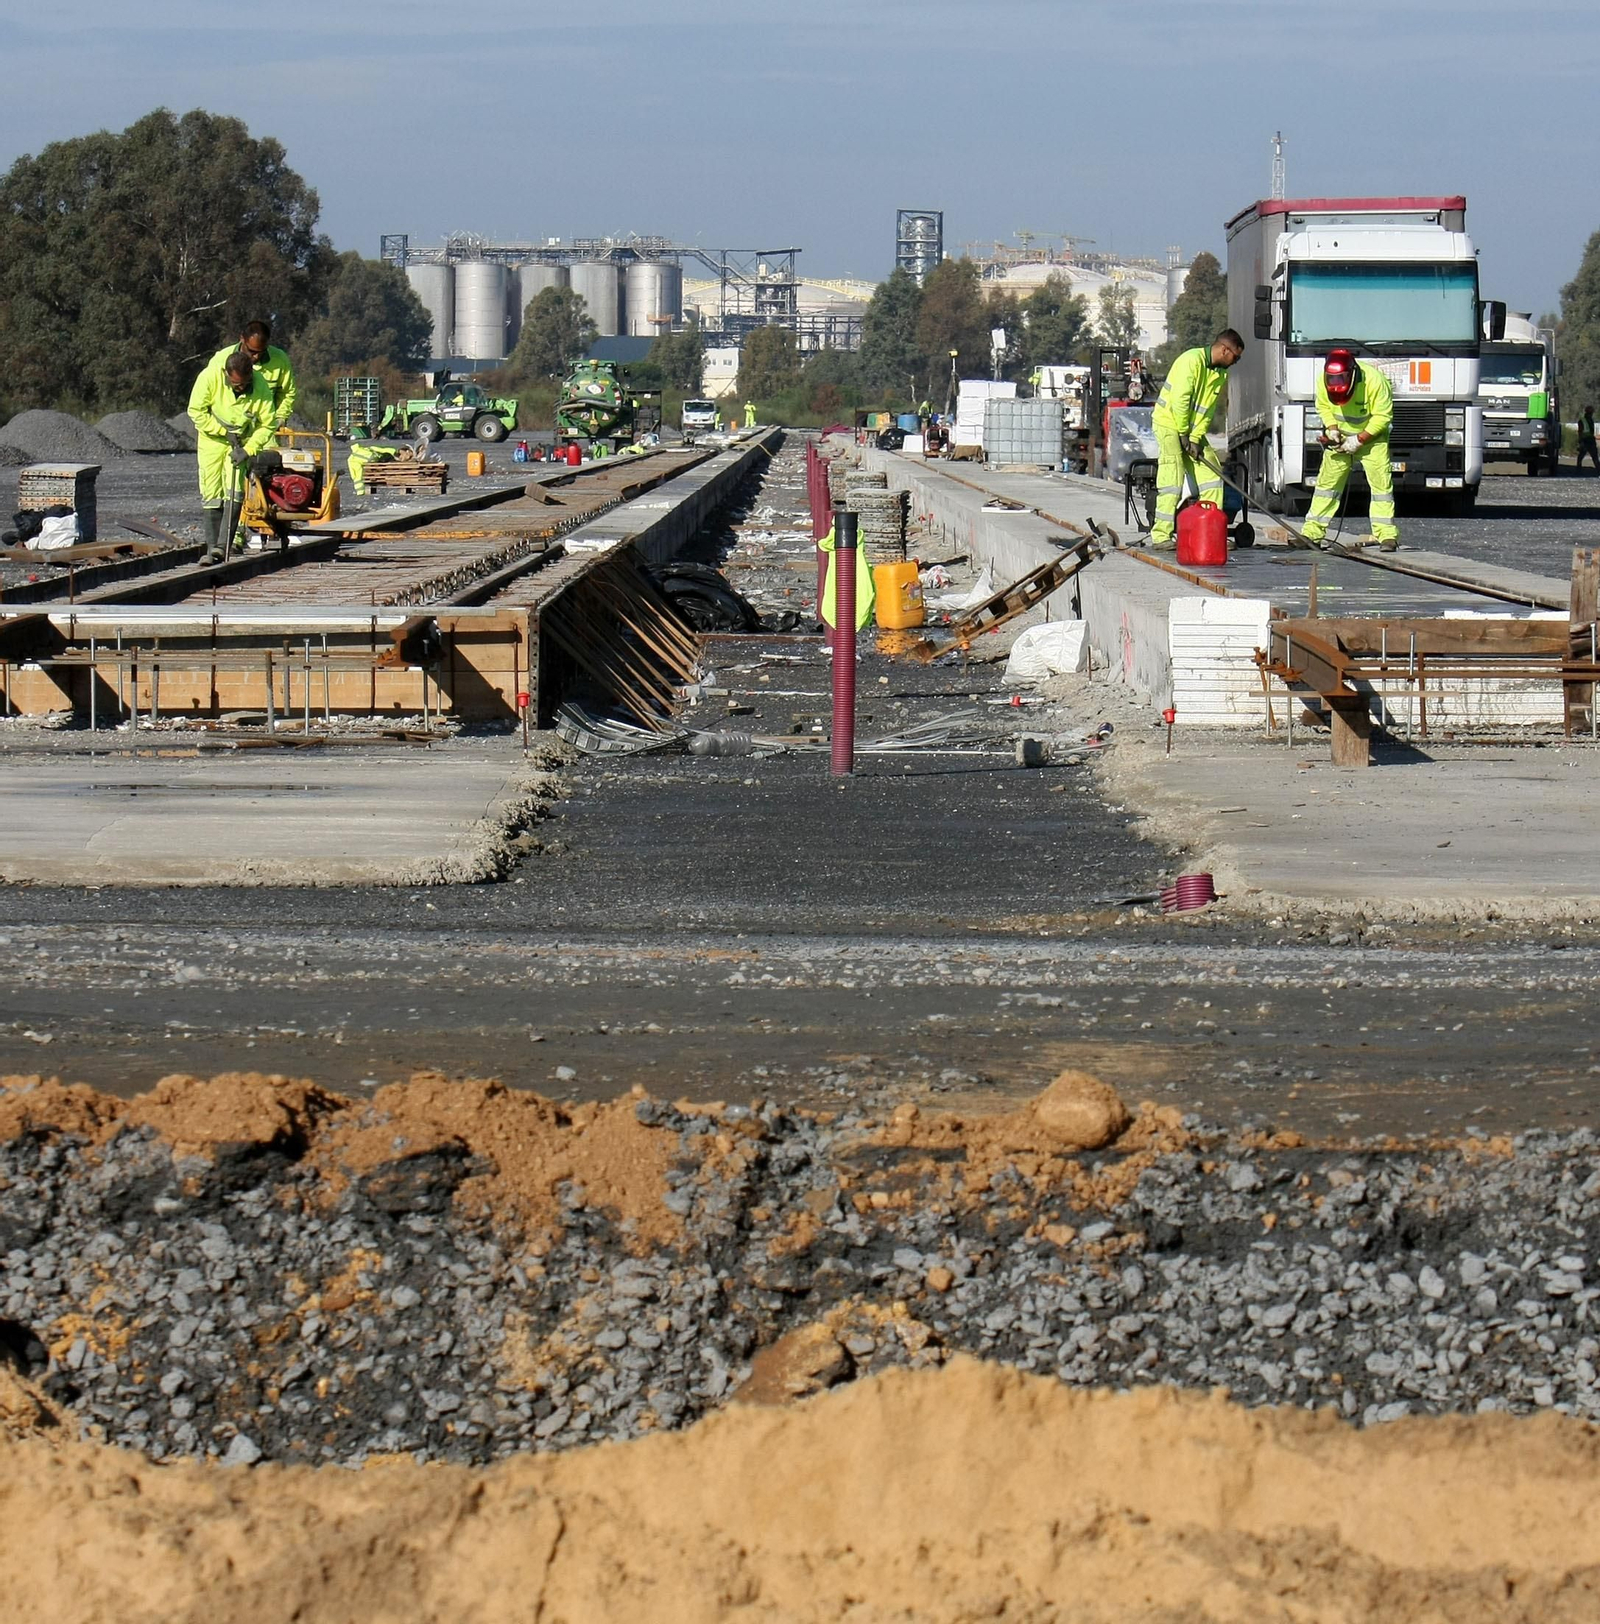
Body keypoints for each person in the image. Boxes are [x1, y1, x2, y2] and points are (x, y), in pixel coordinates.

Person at [1149, 329, 1244, 548]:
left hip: (1190, 431)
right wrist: (1183, 434)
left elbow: (1206, 411)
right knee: (1172, 478)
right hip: (1168, 423)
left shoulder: (1219, 373)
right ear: (1224, 349)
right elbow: (1181, 400)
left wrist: (1194, 437)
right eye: (1235, 357)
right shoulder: (1190, 361)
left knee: (1212, 475)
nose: (1236, 362)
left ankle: (1211, 533)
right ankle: (1161, 535)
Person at [1301, 348, 1398, 551]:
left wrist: (1360, 439)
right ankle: (1312, 533)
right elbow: (1324, 407)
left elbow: (1383, 416)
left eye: (1341, 380)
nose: (1335, 385)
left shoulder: (1374, 381)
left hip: (1372, 440)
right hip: (1340, 440)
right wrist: (1333, 430)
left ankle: (1387, 536)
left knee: (1381, 489)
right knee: (1326, 488)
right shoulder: (1323, 380)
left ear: (1352, 374)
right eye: (1332, 381)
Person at [187, 351, 278, 560]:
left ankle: (222, 546)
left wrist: (249, 449)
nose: (242, 388)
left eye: (245, 384)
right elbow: (196, 411)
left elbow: (267, 424)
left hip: (241, 444)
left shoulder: (260, 385)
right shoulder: (209, 377)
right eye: (237, 385)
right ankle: (212, 549)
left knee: (235, 490)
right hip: (212, 442)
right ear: (227, 375)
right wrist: (222, 431)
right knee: (211, 493)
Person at [203, 319, 297, 431]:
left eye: (261, 351)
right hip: (225, 433)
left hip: (263, 432)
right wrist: (216, 429)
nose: (256, 356)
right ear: (242, 339)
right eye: (252, 351)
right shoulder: (220, 360)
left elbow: (287, 392)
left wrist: (280, 417)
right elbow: (202, 402)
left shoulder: (280, 360)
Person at [817, 521, 875, 632]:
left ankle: (842, 641)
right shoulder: (853, 544)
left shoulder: (836, 545)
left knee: (843, 626)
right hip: (848, 613)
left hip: (842, 613)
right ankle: (843, 641)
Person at [1577, 406, 1598, 473]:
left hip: (1588, 440)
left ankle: (1579, 469)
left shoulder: (1589, 420)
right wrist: (1581, 441)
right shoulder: (1584, 420)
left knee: (1582, 456)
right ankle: (1579, 469)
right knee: (1593, 456)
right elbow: (1580, 431)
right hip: (1586, 440)